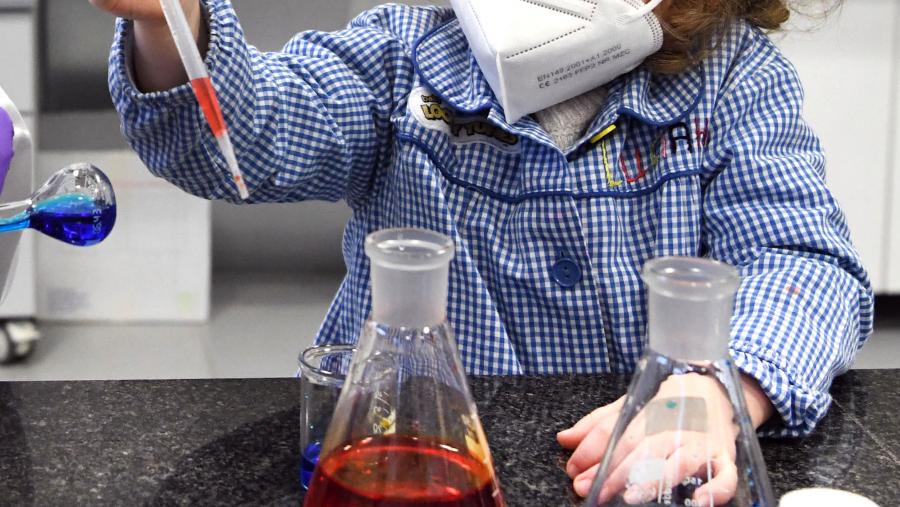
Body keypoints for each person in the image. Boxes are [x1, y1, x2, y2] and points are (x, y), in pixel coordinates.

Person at [91, 0, 872, 502]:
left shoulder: (731, 77)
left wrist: (705, 390)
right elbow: (250, 138)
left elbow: (807, 264)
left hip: (633, 472)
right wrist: (171, 24)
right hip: (409, 463)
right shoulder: (406, 52)